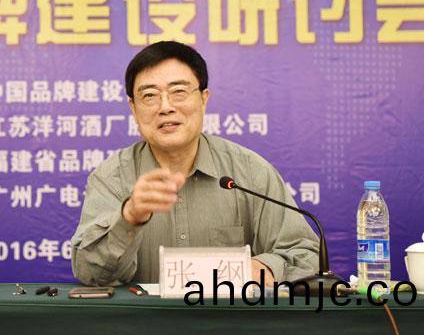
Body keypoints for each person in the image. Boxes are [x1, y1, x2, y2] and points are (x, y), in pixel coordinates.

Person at [71, 41, 319, 287]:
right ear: (133, 108)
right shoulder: (111, 178)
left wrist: (266, 267)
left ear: (203, 98)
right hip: (144, 314)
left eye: (178, 92)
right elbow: (90, 273)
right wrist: (129, 217)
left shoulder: (251, 173)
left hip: (228, 313)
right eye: (149, 96)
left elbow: (306, 253)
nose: (165, 107)